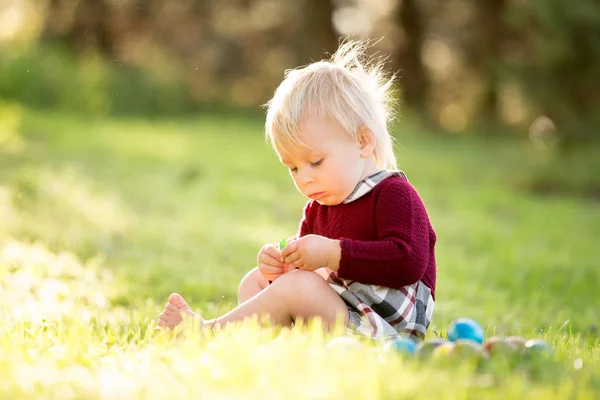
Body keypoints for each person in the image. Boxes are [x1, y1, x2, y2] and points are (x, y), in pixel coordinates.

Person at [158, 41, 436, 341]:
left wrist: (331, 253)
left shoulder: (394, 194)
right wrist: (281, 264)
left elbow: (407, 262)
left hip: (384, 327)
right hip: (339, 311)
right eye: (293, 168)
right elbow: (305, 272)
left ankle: (208, 334)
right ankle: (272, 343)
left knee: (297, 288)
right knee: (255, 283)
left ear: (363, 142)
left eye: (315, 161)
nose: (304, 179)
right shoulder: (320, 206)